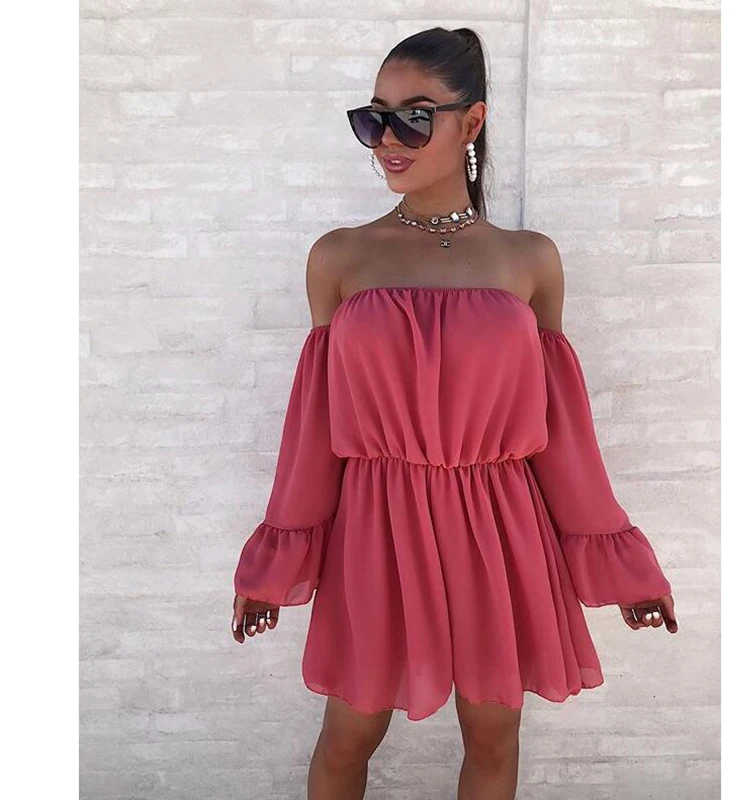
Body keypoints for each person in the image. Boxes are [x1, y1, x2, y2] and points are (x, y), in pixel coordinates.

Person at [230, 26, 679, 800]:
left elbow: (563, 436)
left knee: (494, 736)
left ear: (472, 123)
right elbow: (313, 431)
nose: (387, 140)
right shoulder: (340, 257)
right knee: (348, 735)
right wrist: (275, 566)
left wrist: (623, 568)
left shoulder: (528, 260)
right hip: (377, 524)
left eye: (413, 117)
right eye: (373, 118)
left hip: (500, 525)